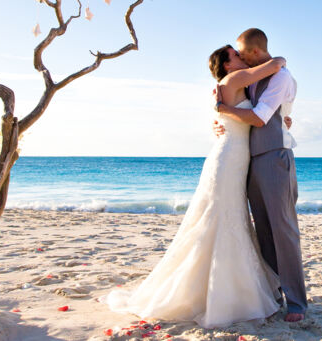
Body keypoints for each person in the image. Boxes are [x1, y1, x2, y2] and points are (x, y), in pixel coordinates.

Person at [106, 42, 289, 328]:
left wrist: (222, 114)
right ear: (227, 64)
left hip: (232, 156)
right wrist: (278, 58)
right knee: (221, 218)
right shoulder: (236, 78)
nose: (241, 57)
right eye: (236, 55)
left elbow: (224, 115)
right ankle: (221, 294)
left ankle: (220, 290)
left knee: (224, 218)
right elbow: (275, 65)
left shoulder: (227, 84)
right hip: (229, 158)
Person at [214, 28, 306, 322]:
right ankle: (273, 293)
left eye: (242, 53)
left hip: (274, 156)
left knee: (284, 230)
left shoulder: (280, 76)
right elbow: (239, 112)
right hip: (249, 159)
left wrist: (225, 109)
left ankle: (297, 303)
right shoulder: (250, 76)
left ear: (253, 52)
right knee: (263, 230)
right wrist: (220, 121)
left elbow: (259, 116)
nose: (240, 57)